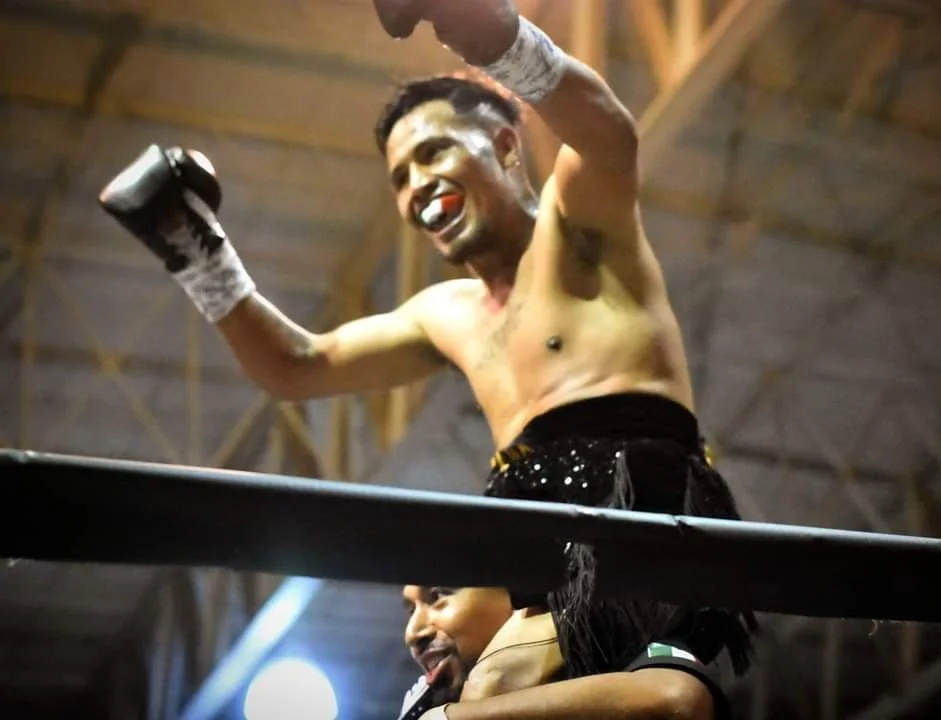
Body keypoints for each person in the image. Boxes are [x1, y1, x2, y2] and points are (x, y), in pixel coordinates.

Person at [96, 0, 755, 701]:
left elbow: (608, 134)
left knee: (507, 692)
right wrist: (196, 250)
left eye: (434, 152)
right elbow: (295, 367)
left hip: (639, 494)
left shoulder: (576, 226)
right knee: (484, 694)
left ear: (506, 146)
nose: (417, 187)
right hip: (527, 529)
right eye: (401, 177)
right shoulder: (445, 313)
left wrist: (476, 24)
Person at [398, 585, 729, 720]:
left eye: (438, 596)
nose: (414, 632)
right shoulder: (425, 702)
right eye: (410, 609)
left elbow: (678, 697)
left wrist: (455, 718)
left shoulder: (611, 650)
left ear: (518, 592)